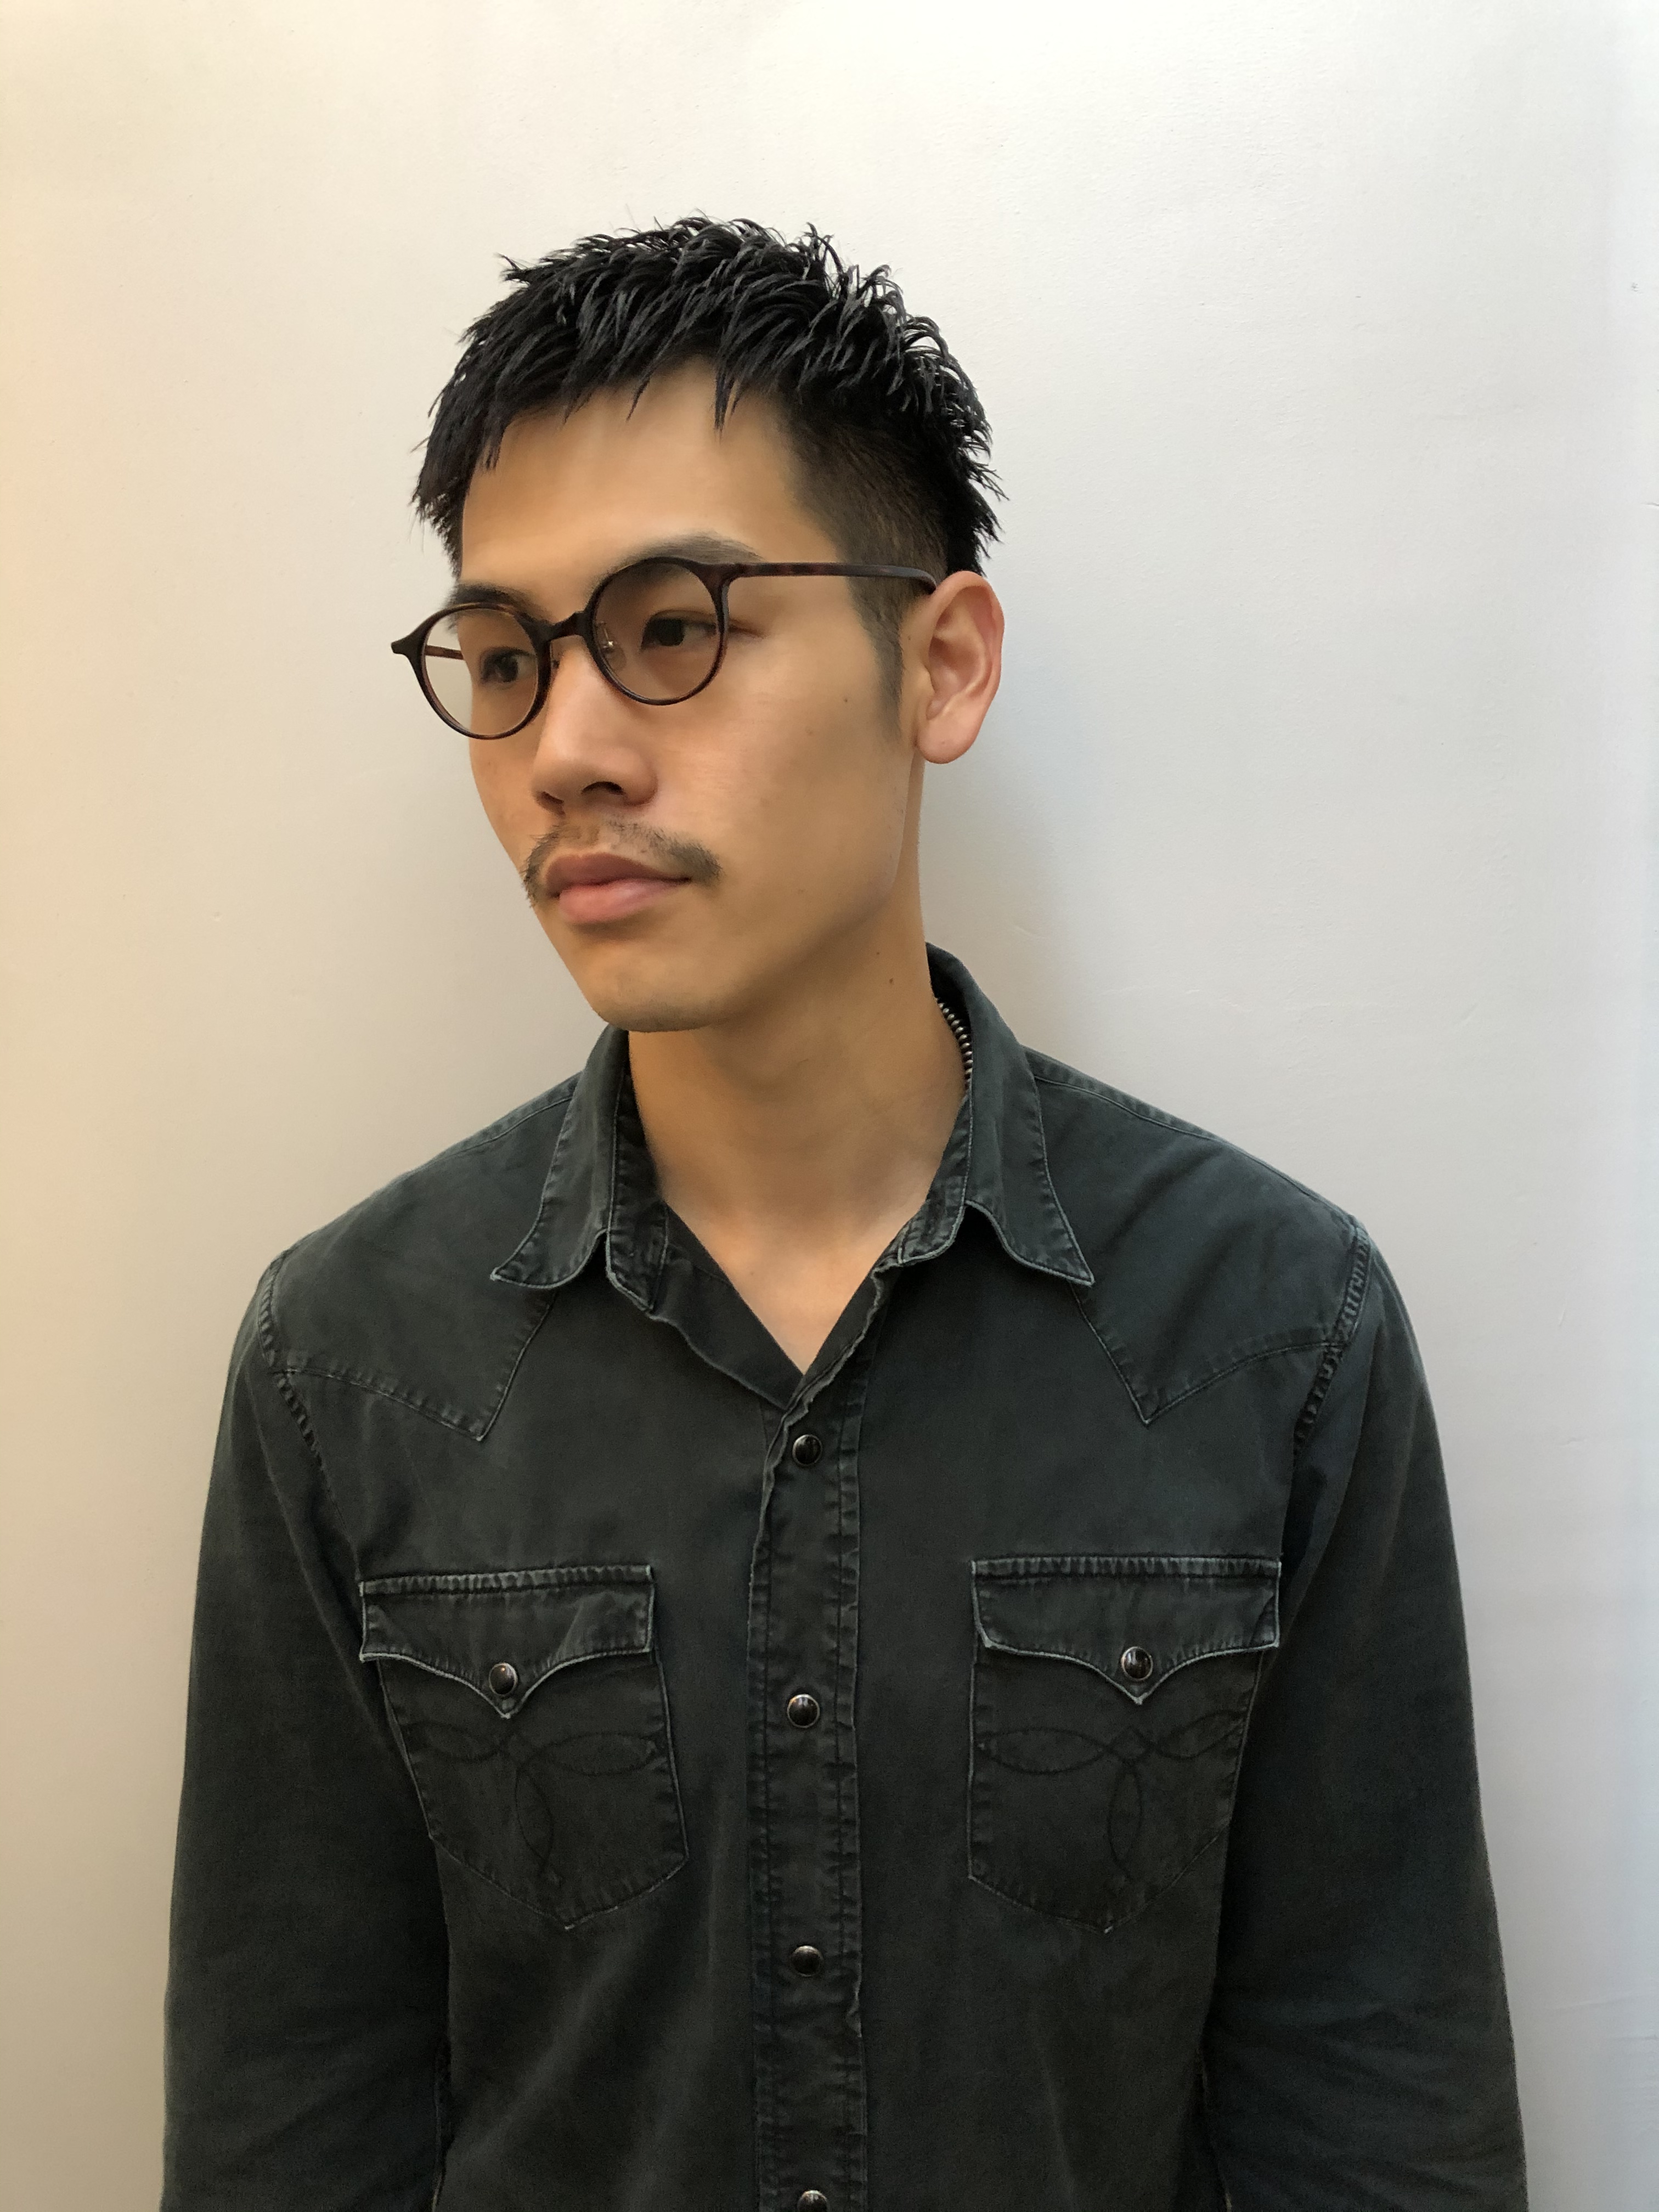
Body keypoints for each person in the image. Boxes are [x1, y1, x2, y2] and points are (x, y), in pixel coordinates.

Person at [162, 217, 1527, 2211]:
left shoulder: (1268, 1327)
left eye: (674, 628)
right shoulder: (354, 1363)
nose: (564, 752)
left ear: (940, 665)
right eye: (508, 659)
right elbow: (293, 2118)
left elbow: (1376, 2107)